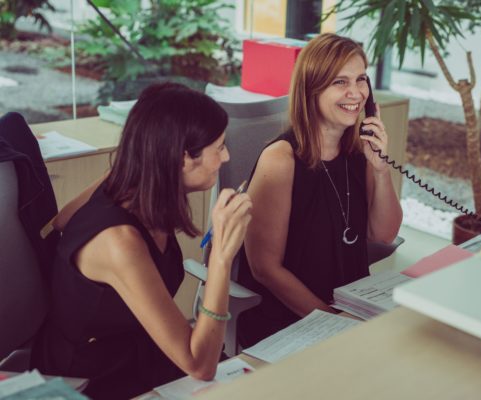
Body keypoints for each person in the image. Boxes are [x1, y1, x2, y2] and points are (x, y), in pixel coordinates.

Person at [32, 83, 252, 399]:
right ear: (181, 159)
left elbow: (62, 221)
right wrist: (221, 256)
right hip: (92, 376)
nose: (226, 156)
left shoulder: (132, 187)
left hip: (137, 349)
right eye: (218, 147)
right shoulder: (118, 242)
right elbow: (199, 366)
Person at [237, 33, 402, 347]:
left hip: (348, 309)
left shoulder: (358, 152)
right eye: (340, 82)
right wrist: (330, 321)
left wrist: (381, 171)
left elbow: (383, 234)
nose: (355, 93)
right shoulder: (281, 160)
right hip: (288, 321)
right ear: (311, 89)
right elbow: (264, 269)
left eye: (361, 79)